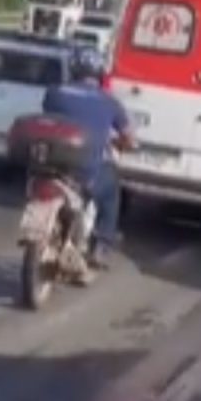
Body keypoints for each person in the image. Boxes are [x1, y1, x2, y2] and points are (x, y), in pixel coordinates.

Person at [42, 47, 135, 273]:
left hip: (51, 166)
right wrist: (124, 144)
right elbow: (128, 137)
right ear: (100, 74)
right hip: (85, 172)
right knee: (112, 189)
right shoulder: (109, 101)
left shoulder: (54, 92)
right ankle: (101, 246)